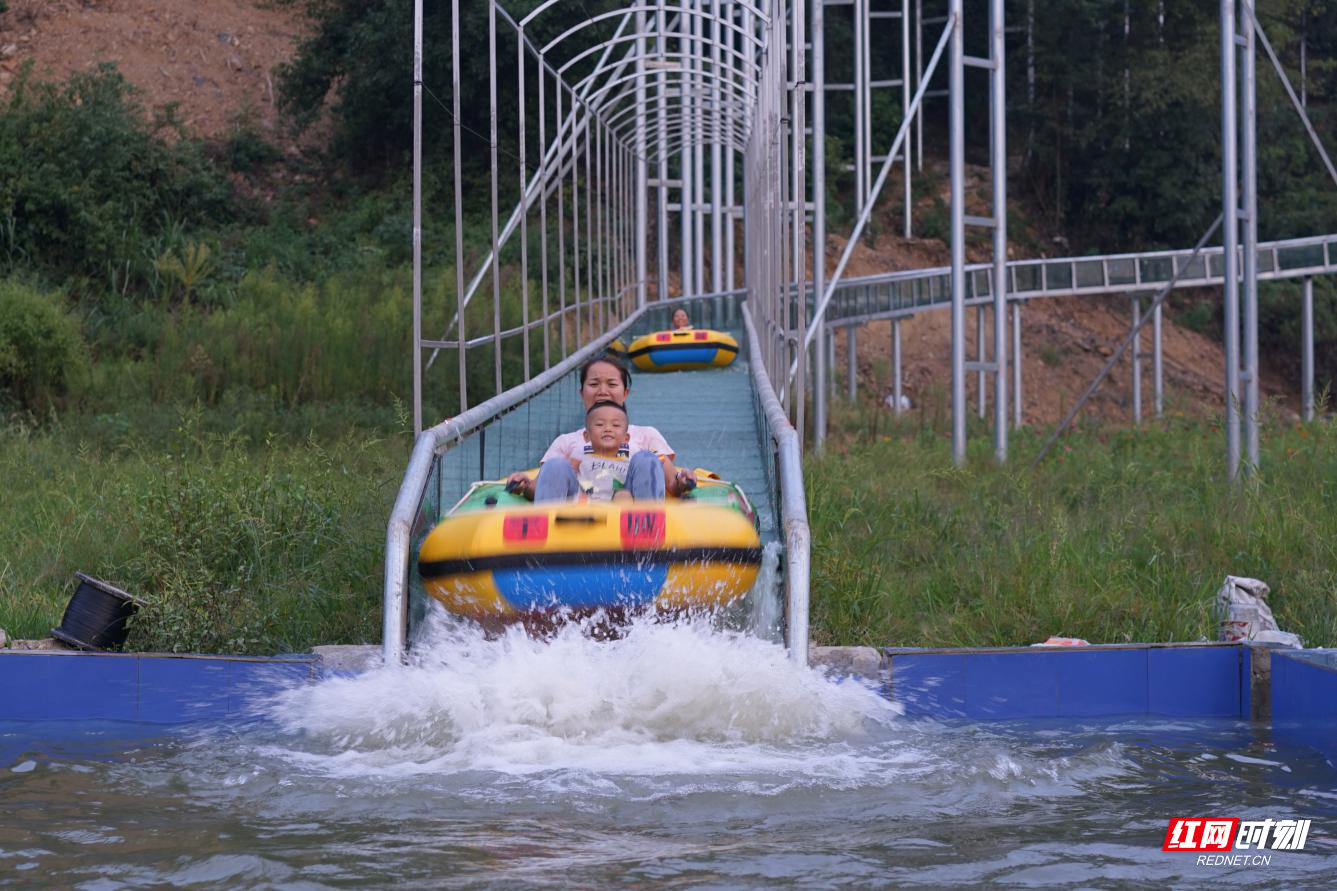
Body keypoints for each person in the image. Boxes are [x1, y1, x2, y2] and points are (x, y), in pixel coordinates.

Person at [507, 353, 696, 501]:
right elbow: (544, 486)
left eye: (612, 384)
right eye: (594, 384)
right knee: (555, 465)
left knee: (647, 459)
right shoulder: (566, 442)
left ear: (625, 392)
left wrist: (683, 481)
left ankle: (648, 537)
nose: (602, 391)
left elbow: (671, 483)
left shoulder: (646, 435)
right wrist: (525, 485)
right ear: (582, 393)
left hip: (629, 510)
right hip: (579, 509)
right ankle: (548, 536)